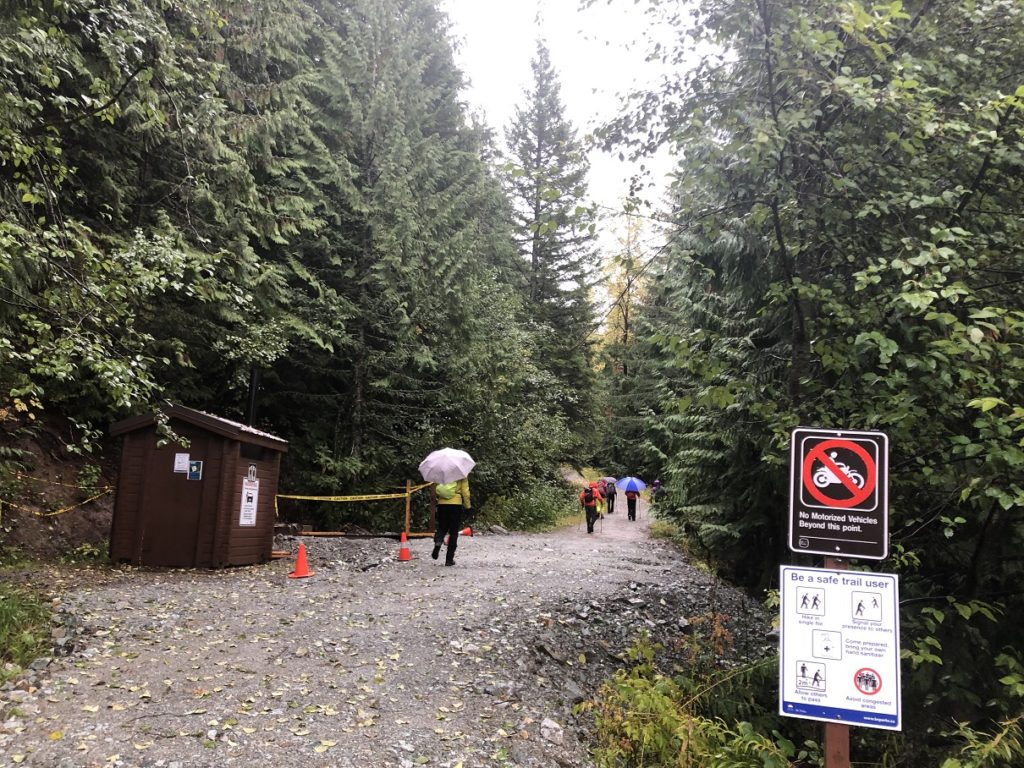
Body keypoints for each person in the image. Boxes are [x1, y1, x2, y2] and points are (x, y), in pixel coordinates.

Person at [432, 476, 471, 566]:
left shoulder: (441, 472)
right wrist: (468, 506)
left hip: (442, 504)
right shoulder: (461, 474)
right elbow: (465, 492)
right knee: (453, 532)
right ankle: (449, 560)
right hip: (456, 504)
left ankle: (438, 543)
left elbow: (436, 488)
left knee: (442, 527)